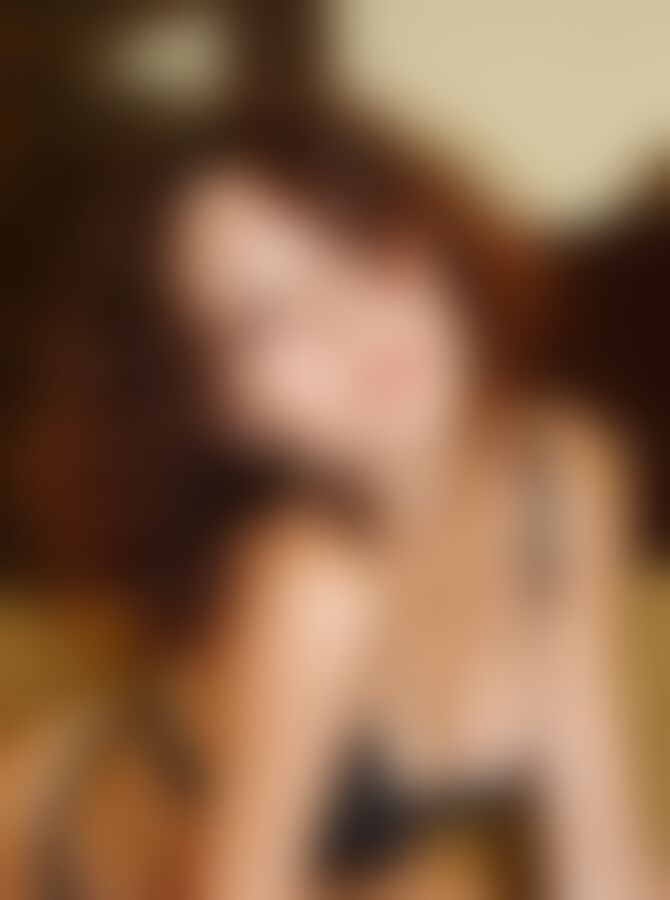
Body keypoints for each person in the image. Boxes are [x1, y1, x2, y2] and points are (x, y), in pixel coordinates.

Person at [16, 105, 657, 899]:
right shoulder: (310, 581)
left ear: (432, 243)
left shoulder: (563, 477)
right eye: (266, 320)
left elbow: (601, 841)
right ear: (222, 405)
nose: (350, 323)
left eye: (361, 246)